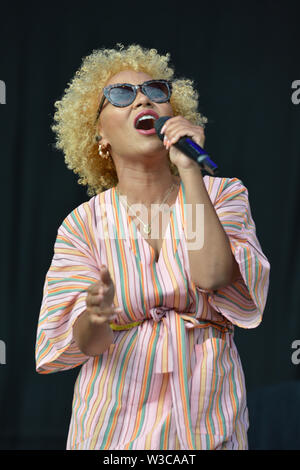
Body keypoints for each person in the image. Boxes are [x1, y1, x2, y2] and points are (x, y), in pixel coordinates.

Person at [35, 44, 270, 450]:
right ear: (99, 135)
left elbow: (212, 275)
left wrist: (189, 168)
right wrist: (95, 314)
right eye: (121, 95)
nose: (143, 98)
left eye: (156, 91)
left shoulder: (224, 193)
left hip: (207, 418)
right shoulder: (81, 225)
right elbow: (85, 343)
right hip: (113, 428)